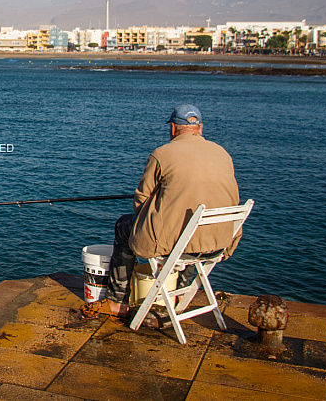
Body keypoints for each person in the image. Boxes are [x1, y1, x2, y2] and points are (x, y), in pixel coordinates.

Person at [86, 104, 241, 318]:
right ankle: (178, 295)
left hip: (180, 243)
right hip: (217, 243)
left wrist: (153, 210)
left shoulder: (162, 154)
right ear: (200, 127)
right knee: (190, 227)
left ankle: (117, 301)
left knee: (124, 225)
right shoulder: (223, 154)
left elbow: (140, 201)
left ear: (174, 129)